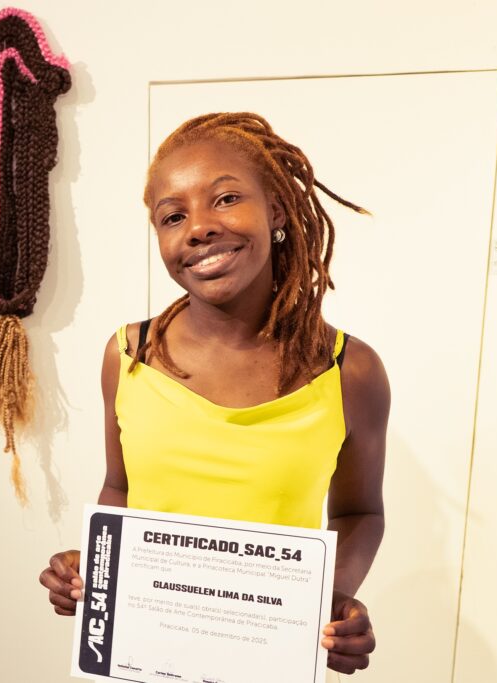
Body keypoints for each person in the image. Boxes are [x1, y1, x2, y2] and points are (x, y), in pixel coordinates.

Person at [39, 112, 390, 675]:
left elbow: (359, 511)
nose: (198, 227)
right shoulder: (130, 356)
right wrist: (94, 570)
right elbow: (119, 488)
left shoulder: (349, 370)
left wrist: (331, 599)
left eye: (226, 199)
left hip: (266, 664)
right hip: (146, 662)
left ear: (276, 209)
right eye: (173, 216)